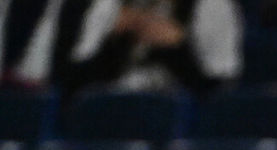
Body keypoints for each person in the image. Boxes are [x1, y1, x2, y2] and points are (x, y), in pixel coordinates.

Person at [60, 0, 244, 94]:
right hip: (112, 119)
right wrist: (114, 42)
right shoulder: (109, 7)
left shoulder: (211, 5)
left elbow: (220, 92)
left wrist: (178, 49)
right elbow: (75, 87)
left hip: (178, 126)